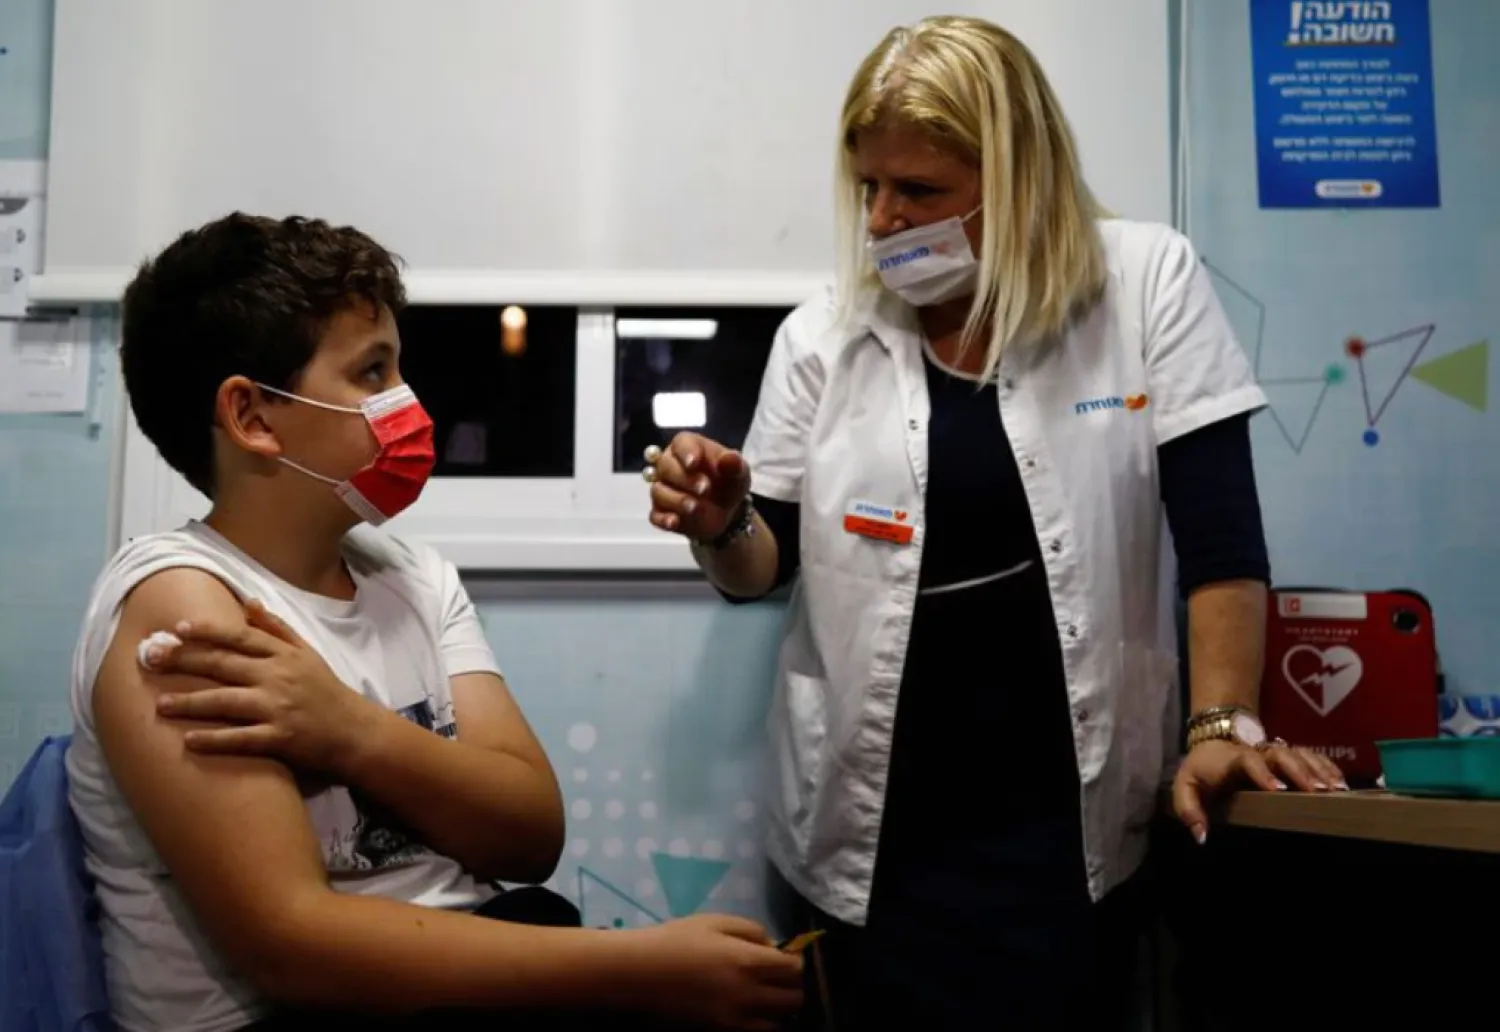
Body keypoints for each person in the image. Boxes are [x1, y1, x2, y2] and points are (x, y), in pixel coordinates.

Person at [642, 16, 1346, 1030]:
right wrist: (723, 522)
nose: (883, 218)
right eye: (868, 187)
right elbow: (764, 568)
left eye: (918, 190)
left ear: (1017, 178)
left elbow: (1221, 539)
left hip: (1073, 825)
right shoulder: (823, 337)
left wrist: (1220, 725)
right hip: (875, 834)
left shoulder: (1144, 285)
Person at [66, 213, 803, 1032]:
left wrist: (349, 730)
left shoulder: (412, 578)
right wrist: (642, 968)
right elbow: (292, 945)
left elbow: (529, 835)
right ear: (254, 417)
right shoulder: (181, 599)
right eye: (371, 372)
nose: (407, 402)